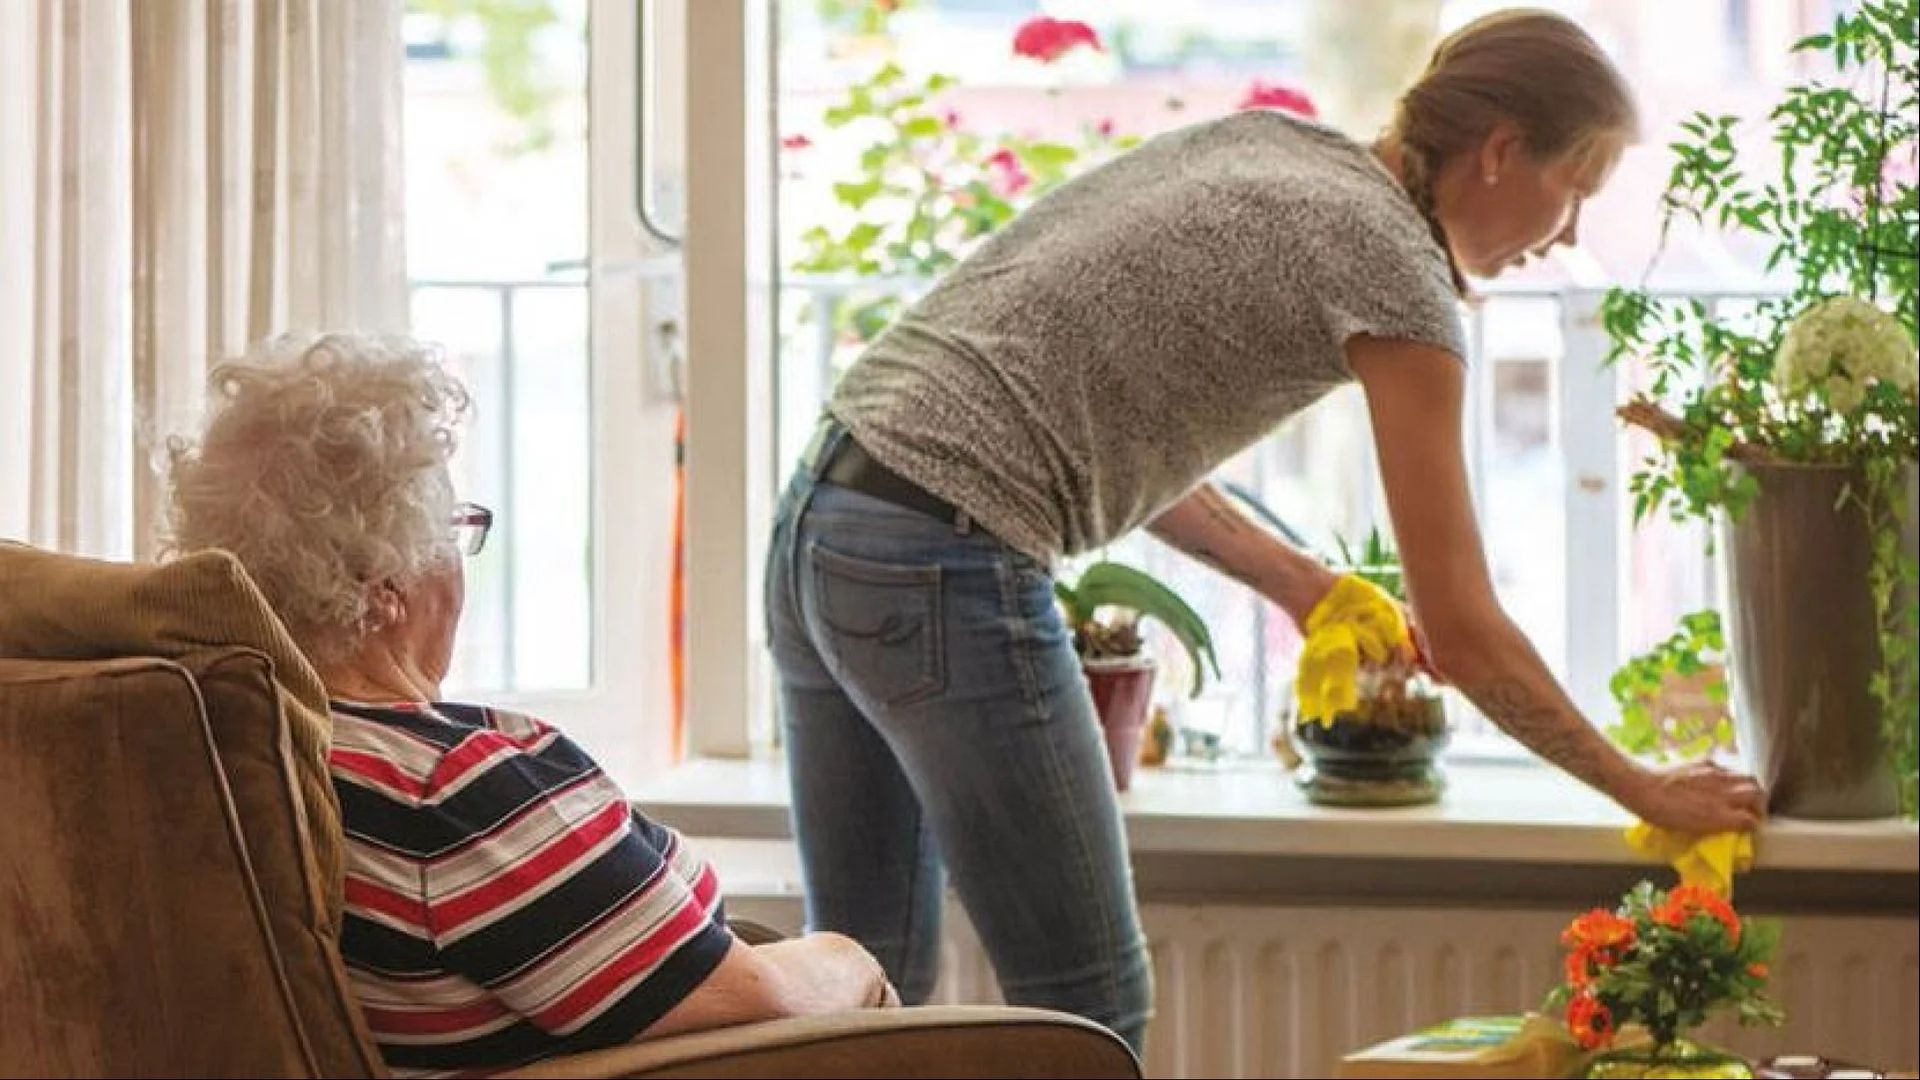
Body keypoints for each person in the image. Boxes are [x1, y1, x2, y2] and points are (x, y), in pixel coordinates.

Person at [764, 8, 1767, 1053]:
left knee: (861, 989)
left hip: (825, 524)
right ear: (1504, 150)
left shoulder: (1279, 150)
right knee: (1086, 1009)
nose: (1564, 236)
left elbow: (1102, 437)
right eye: (1579, 189)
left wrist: (1303, 584)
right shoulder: (1401, 281)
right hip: (941, 550)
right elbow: (1462, 632)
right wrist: (1640, 785)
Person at [164, 332, 894, 1078]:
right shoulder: (446, 791)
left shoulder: (213, 743)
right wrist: (852, 960)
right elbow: (760, 999)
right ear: (385, 585)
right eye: (454, 528)